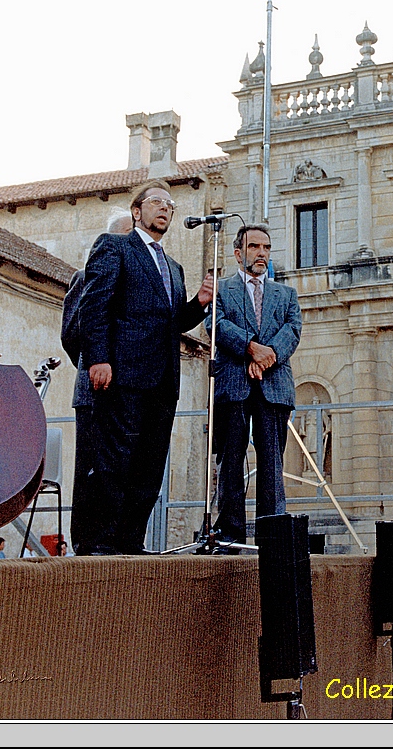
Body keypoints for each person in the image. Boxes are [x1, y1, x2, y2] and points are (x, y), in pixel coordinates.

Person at [78, 179, 213, 555]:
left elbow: (173, 322)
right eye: (156, 202)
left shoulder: (173, 267)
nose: (165, 209)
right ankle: (101, 543)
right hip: (122, 374)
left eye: (170, 205)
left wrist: (199, 302)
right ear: (137, 211)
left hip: (162, 380)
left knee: (149, 466)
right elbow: (94, 307)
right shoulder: (115, 247)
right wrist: (98, 358)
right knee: (115, 460)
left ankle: (131, 541)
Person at [209, 224, 302, 548]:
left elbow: (293, 329)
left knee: (272, 464)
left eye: (266, 247)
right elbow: (215, 325)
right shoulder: (222, 290)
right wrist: (251, 348)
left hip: (274, 386)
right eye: (254, 247)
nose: (261, 253)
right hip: (233, 385)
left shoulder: (286, 294)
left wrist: (267, 356)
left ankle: (272, 534)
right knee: (231, 461)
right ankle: (230, 535)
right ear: (238, 253)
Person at [61, 209, 134, 555]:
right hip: (94, 393)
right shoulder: (86, 276)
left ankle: (117, 540)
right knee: (90, 472)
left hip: (127, 395)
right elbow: (74, 333)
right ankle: (86, 544)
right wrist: (98, 361)